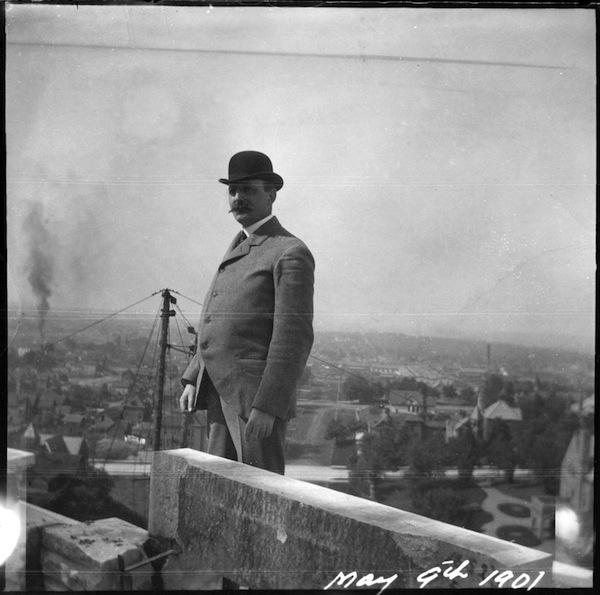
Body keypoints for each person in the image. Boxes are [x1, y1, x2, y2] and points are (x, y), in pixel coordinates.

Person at [179, 150, 314, 474]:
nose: (238, 197)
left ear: (271, 194)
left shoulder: (288, 251)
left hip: (254, 404)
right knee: (220, 487)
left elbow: (292, 338)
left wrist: (268, 406)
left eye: (248, 190)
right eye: (233, 190)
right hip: (218, 389)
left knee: (261, 494)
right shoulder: (241, 243)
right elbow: (216, 317)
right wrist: (193, 377)